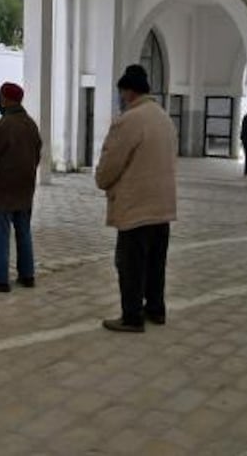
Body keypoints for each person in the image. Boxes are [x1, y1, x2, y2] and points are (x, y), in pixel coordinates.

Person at [96, 64, 178, 333]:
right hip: (162, 206)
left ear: (128, 91)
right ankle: (155, 309)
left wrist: (101, 180)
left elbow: (111, 162)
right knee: (156, 263)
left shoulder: (130, 120)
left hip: (136, 206)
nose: (121, 97)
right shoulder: (164, 118)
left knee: (130, 264)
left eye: (121, 92)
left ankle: (132, 317)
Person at [0, 82, 43, 293]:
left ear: (5, 99)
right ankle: (27, 275)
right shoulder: (31, 125)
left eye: (0, 97)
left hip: (2, 189)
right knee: (23, 233)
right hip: (25, 188)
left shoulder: (1, 126)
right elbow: (37, 155)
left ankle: (0, 280)